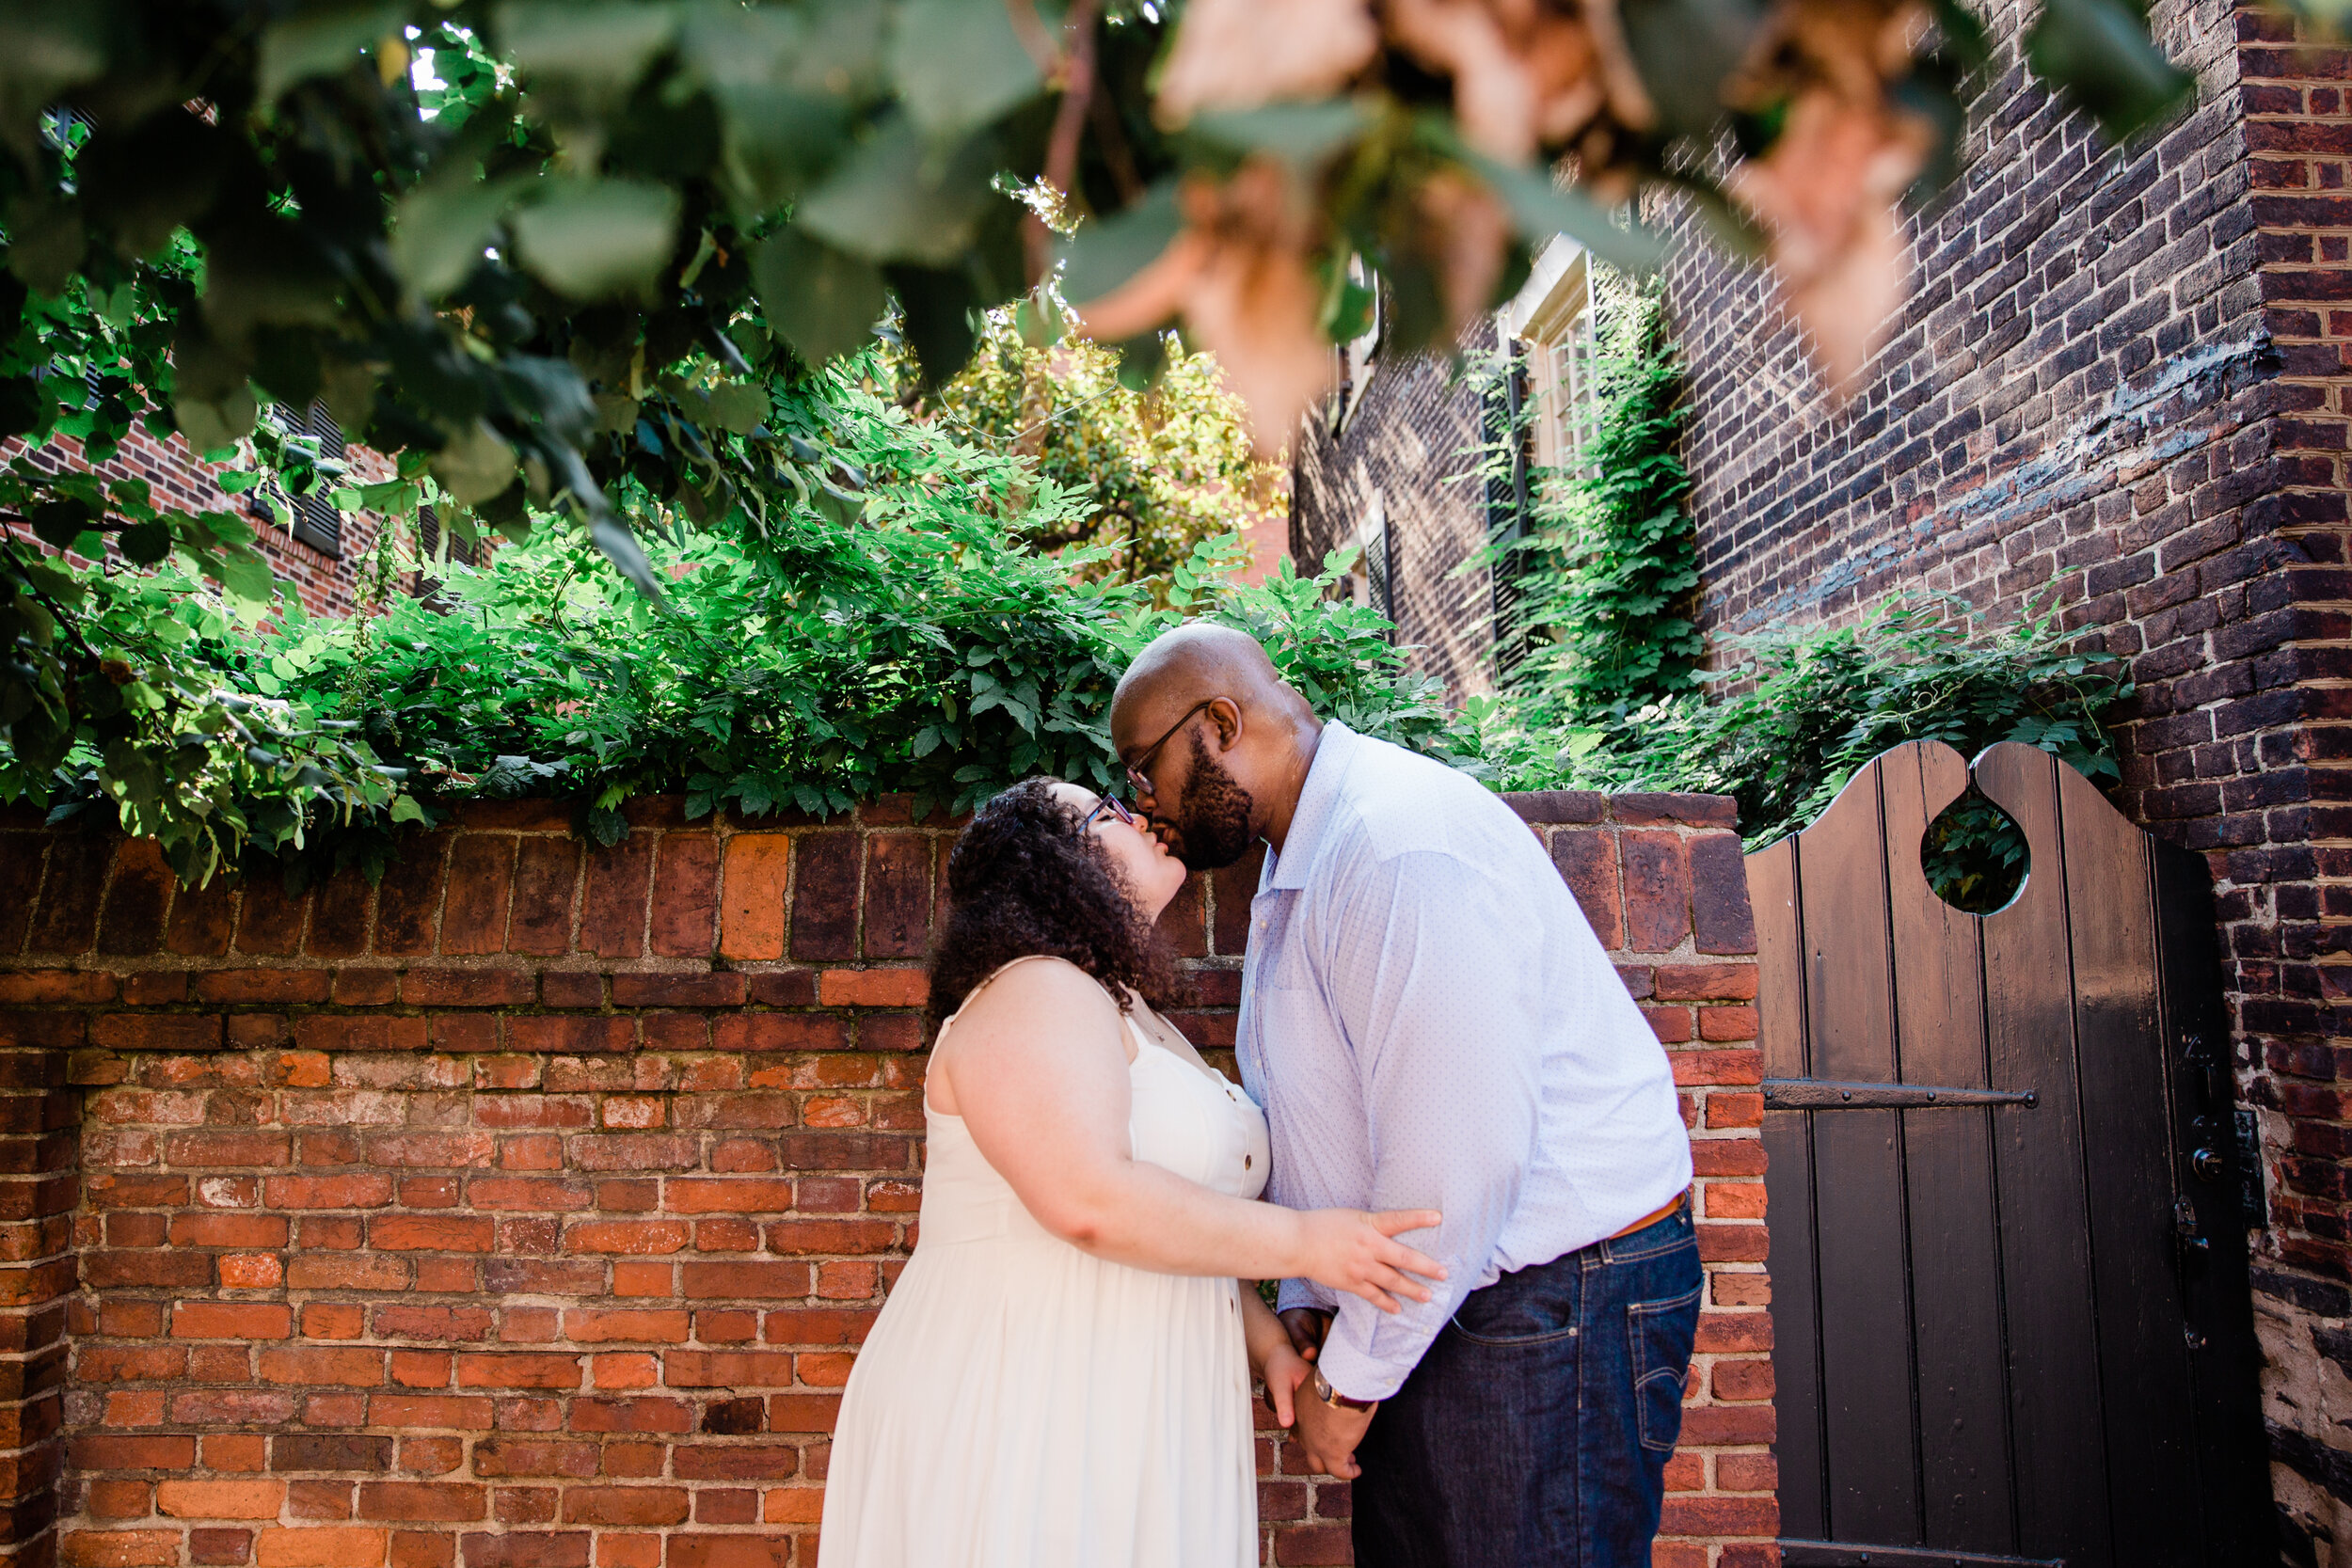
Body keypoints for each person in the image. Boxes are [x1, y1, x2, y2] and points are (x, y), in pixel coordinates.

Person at [1108, 623, 1698, 1568]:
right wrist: (1310, 1292)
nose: (1145, 800)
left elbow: (1454, 1164)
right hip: (1455, 1299)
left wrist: (1351, 1384)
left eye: (1145, 766)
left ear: (1218, 723)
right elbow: (1321, 1102)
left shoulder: (1394, 849)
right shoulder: (1303, 853)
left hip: (1548, 1306)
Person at [818, 775, 1447, 1568]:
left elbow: (1179, 1223)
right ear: (1054, 862)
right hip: (1029, 1397)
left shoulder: (1127, 1012)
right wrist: (1311, 1244)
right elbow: (1091, 1198)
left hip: (1133, 1400)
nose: (1141, 814)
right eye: (1105, 810)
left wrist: (1267, 1346)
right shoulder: (1031, 986)